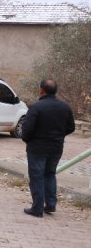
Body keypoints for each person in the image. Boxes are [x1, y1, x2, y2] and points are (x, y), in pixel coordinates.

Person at [21, 79, 75, 218]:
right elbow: (71, 127)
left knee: (37, 176)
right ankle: (50, 204)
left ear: (41, 90)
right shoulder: (65, 107)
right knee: (50, 174)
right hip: (56, 147)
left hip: (37, 147)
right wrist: (58, 136)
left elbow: (26, 130)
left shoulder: (36, 107)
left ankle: (37, 208)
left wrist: (28, 140)